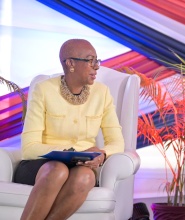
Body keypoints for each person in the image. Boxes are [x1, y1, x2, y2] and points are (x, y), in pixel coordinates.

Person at [14, 39, 125, 219]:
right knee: (58, 170)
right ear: (70, 63)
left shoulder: (102, 93)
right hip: (40, 165)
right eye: (90, 60)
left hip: (81, 165)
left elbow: (117, 142)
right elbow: (29, 147)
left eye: (97, 61)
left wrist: (102, 153)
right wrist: (67, 153)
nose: (96, 67)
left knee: (86, 177)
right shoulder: (43, 90)